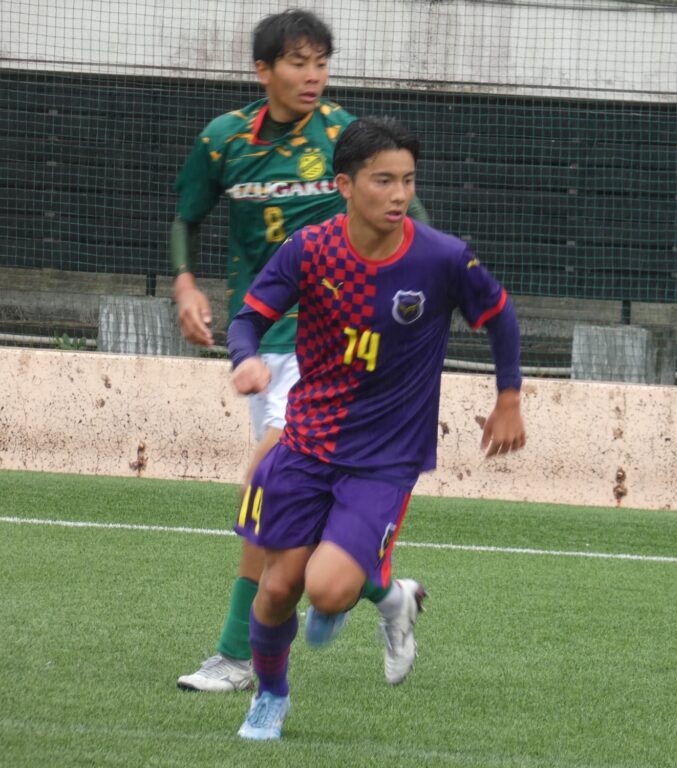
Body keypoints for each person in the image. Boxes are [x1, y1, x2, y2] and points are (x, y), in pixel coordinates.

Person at [226, 115, 526, 740]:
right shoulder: (309, 250)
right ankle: (271, 697)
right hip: (306, 445)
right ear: (345, 184)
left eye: (407, 181)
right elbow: (248, 318)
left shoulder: (442, 257)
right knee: (277, 589)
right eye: (383, 180)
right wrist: (245, 358)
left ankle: (374, 593)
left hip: (385, 459)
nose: (399, 194)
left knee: (327, 592)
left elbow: (500, 315)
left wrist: (509, 397)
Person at [171, 9, 430, 693]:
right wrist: (186, 283)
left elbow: (411, 219)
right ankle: (383, 592)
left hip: (334, 346)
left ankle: (237, 657)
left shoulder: (345, 136)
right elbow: (186, 217)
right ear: (264, 70)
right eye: (297, 62)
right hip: (261, 339)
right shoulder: (224, 141)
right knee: (283, 505)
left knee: (263, 482)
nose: (313, 76)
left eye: (321, 62)